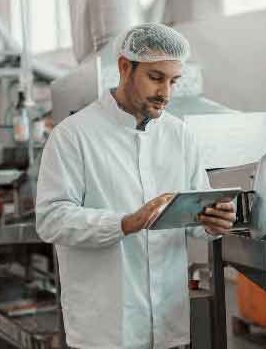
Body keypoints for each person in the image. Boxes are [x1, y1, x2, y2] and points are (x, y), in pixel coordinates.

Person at [36, 23, 237, 349]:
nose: (166, 93)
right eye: (156, 78)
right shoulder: (74, 136)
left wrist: (214, 221)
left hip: (168, 325)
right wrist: (124, 223)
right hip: (105, 329)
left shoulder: (179, 135)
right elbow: (51, 220)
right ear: (124, 67)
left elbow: (195, 217)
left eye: (173, 81)